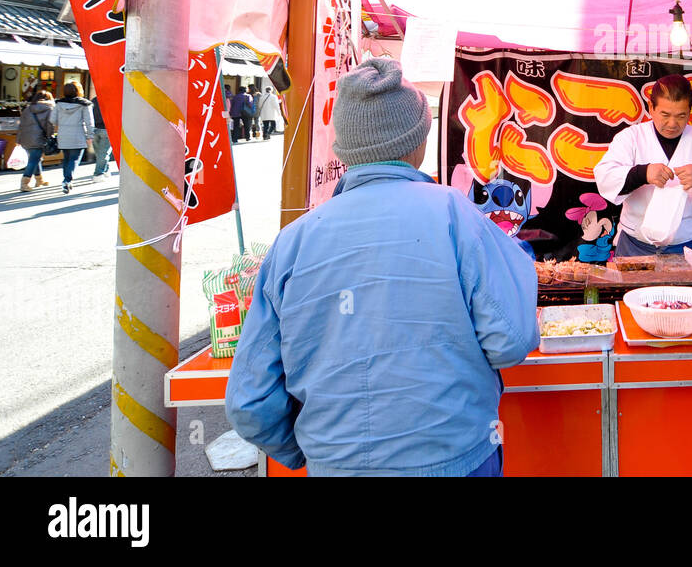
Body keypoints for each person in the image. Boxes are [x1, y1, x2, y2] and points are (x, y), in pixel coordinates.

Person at [226, 58, 539, 476]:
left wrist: (313, 452)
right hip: (456, 458)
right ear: (419, 143)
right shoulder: (456, 216)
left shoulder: (293, 241)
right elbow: (511, 340)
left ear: (344, 148)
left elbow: (249, 401)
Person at [593, 74, 692, 255]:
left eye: (681, 116)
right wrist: (643, 173)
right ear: (651, 107)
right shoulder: (631, 137)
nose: (672, 124)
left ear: (690, 111)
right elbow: (605, 175)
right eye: (665, 114)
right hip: (635, 245)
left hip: (690, 245)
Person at [50, 82, 94, 194]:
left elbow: (52, 120)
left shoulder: (59, 104)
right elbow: (89, 122)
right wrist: (90, 135)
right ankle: (67, 180)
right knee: (74, 158)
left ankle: (66, 180)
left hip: (63, 134)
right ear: (79, 91)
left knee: (67, 158)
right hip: (78, 134)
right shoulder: (84, 104)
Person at [16, 91, 55, 192]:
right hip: (39, 138)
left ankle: (39, 180)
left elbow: (21, 125)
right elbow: (49, 125)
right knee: (33, 160)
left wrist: (18, 139)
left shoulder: (27, 109)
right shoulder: (49, 109)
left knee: (35, 158)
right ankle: (24, 183)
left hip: (25, 138)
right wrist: (50, 136)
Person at [91, 95, 113, 179]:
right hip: (106, 129)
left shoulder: (94, 100)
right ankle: (98, 174)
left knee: (100, 153)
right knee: (103, 153)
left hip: (95, 129)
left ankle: (106, 169)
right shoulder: (111, 100)